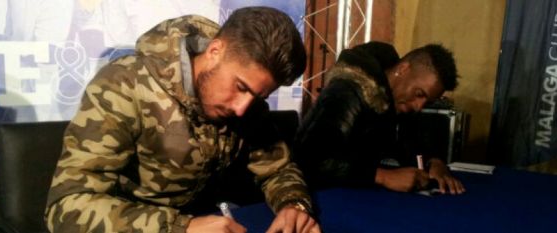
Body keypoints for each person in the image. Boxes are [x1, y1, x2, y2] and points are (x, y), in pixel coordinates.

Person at [45, 7, 321, 233]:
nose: (242, 109)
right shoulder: (124, 86)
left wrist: (293, 206)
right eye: (241, 87)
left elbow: (277, 168)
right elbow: (68, 206)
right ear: (215, 52)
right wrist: (182, 228)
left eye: (259, 96)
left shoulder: (246, 104)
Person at [293, 41, 465, 195]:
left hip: (354, 196)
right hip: (320, 198)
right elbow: (309, 160)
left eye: (427, 102)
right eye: (419, 94)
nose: (419, 106)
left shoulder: (395, 99)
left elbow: (409, 142)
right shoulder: (347, 91)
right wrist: (383, 176)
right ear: (402, 70)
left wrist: (433, 161)